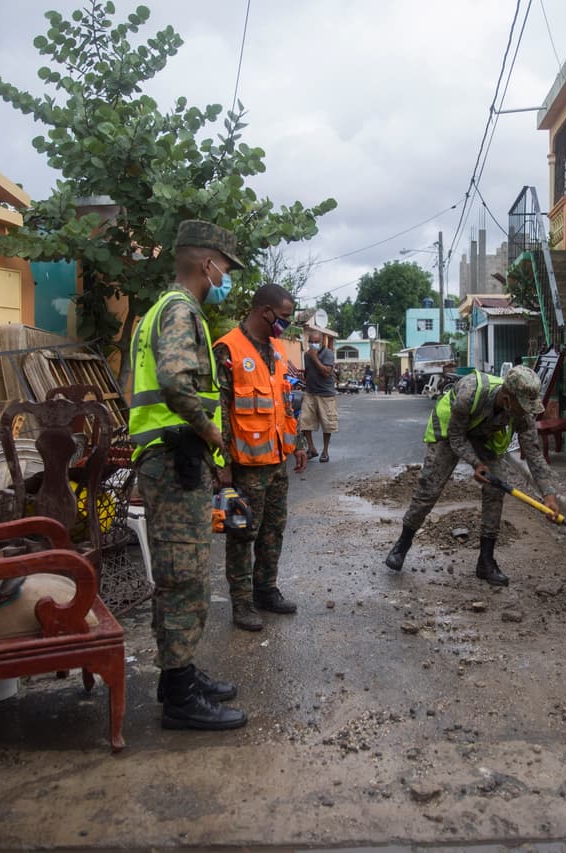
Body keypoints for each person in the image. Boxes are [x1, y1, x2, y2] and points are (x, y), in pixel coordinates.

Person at [128, 219, 245, 731]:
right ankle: (178, 696)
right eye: (226, 268)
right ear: (207, 264)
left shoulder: (157, 311)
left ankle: (179, 672)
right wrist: (212, 435)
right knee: (185, 578)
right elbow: (177, 384)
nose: (227, 277)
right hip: (176, 458)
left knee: (182, 573)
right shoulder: (180, 311)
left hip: (171, 456)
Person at [384, 365, 559, 586]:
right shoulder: (470, 392)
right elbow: (456, 437)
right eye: (522, 406)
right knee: (430, 488)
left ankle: (486, 562)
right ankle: (402, 544)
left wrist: (549, 495)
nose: (526, 411)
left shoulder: (522, 412)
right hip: (450, 431)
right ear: (506, 399)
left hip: (482, 435)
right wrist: (476, 464)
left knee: (496, 487)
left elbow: (533, 453)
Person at [213, 284, 308, 631]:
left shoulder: (278, 350)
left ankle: (266, 591)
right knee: (241, 533)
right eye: (283, 317)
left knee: (274, 531)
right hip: (243, 466)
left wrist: (297, 444)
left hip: (277, 461)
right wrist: (220, 464)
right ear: (264, 311)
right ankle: (241, 604)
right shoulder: (227, 349)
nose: (286, 323)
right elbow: (218, 412)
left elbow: (285, 402)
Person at [299, 329, 338, 462]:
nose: (313, 344)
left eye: (316, 342)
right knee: (305, 422)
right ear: (308, 342)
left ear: (321, 343)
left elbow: (326, 372)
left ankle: (325, 451)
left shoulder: (328, 354)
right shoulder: (306, 355)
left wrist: (314, 357)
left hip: (325, 394)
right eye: (311, 342)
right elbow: (308, 372)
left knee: (327, 424)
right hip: (310, 392)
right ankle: (312, 448)